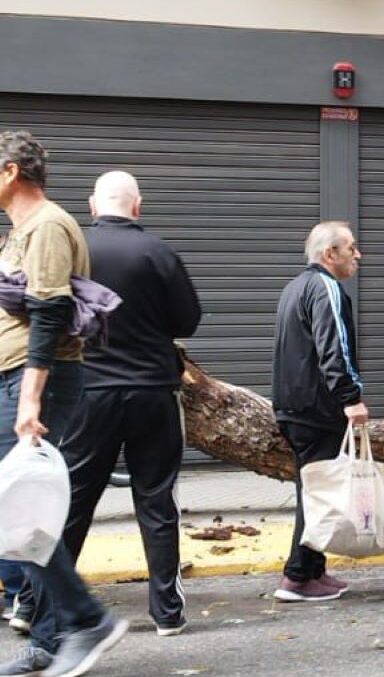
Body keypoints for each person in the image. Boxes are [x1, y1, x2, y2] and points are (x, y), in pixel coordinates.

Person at [0, 130, 127, 677]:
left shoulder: (48, 224)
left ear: (10, 172)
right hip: (14, 379)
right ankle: (51, 638)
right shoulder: (20, 230)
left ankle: (84, 620)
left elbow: (50, 313)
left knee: (20, 511)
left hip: (35, 385)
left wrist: (30, 399)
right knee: (20, 513)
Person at [55, 171, 201, 637]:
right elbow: (188, 320)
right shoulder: (158, 252)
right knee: (157, 500)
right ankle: (167, 613)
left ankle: (44, 608)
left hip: (88, 393)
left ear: (93, 206)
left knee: (74, 500)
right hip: (153, 392)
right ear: (137, 206)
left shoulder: (72, 249)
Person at [272, 221, 365, 602]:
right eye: (352, 248)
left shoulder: (295, 286)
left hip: (294, 405)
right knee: (318, 495)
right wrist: (350, 397)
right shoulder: (326, 288)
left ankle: (314, 570)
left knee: (316, 490)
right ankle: (297, 576)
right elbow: (334, 349)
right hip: (316, 407)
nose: (358, 255)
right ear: (331, 254)